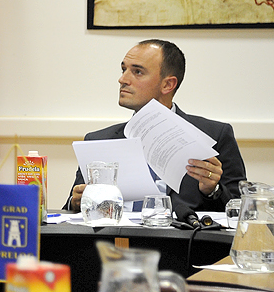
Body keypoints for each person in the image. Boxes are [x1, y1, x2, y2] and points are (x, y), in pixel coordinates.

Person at [65, 39, 246, 219]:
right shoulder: (98, 141)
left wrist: (212, 190)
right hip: (114, 234)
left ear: (168, 84)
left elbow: (240, 211)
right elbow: (71, 208)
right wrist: (77, 201)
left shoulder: (214, 135)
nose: (123, 79)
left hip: (182, 235)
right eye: (123, 69)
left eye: (137, 72)